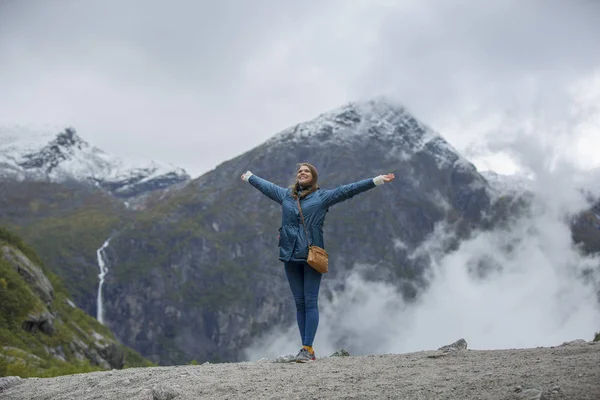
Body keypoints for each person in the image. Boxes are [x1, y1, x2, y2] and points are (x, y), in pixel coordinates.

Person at [241, 163, 395, 362]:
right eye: (299, 171)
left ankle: (307, 348)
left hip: (312, 256)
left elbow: (349, 189)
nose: (302, 173)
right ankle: (305, 349)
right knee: (299, 303)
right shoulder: (286, 196)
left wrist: (377, 180)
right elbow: (267, 186)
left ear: (313, 177)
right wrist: (250, 177)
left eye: (307, 171)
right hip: (289, 255)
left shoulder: (323, 197)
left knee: (310, 301)